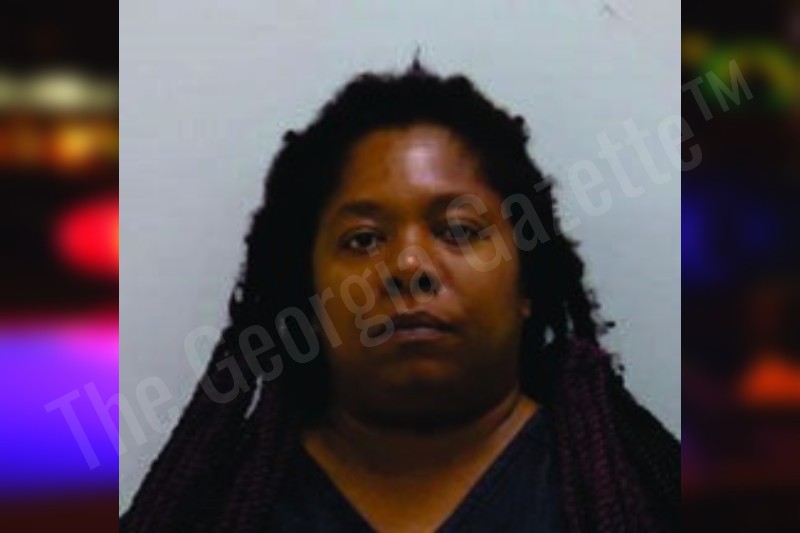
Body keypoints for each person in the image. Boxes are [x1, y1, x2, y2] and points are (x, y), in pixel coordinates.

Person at [121, 62, 679, 532]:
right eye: (363, 240)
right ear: (306, 291)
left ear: (528, 282)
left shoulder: (637, 493)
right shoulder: (217, 507)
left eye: (458, 230)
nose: (409, 265)